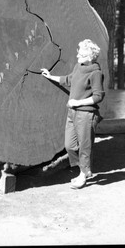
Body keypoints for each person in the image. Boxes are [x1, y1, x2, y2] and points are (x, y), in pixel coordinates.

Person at [41, 39, 105, 189]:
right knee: (69, 146)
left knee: (85, 146)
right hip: (72, 113)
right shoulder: (78, 67)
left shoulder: (96, 73)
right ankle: (84, 169)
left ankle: (84, 174)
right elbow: (68, 79)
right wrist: (50, 76)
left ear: (90, 57)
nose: (77, 56)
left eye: (81, 54)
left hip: (86, 115)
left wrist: (77, 102)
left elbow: (98, 96)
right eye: (78, 52)